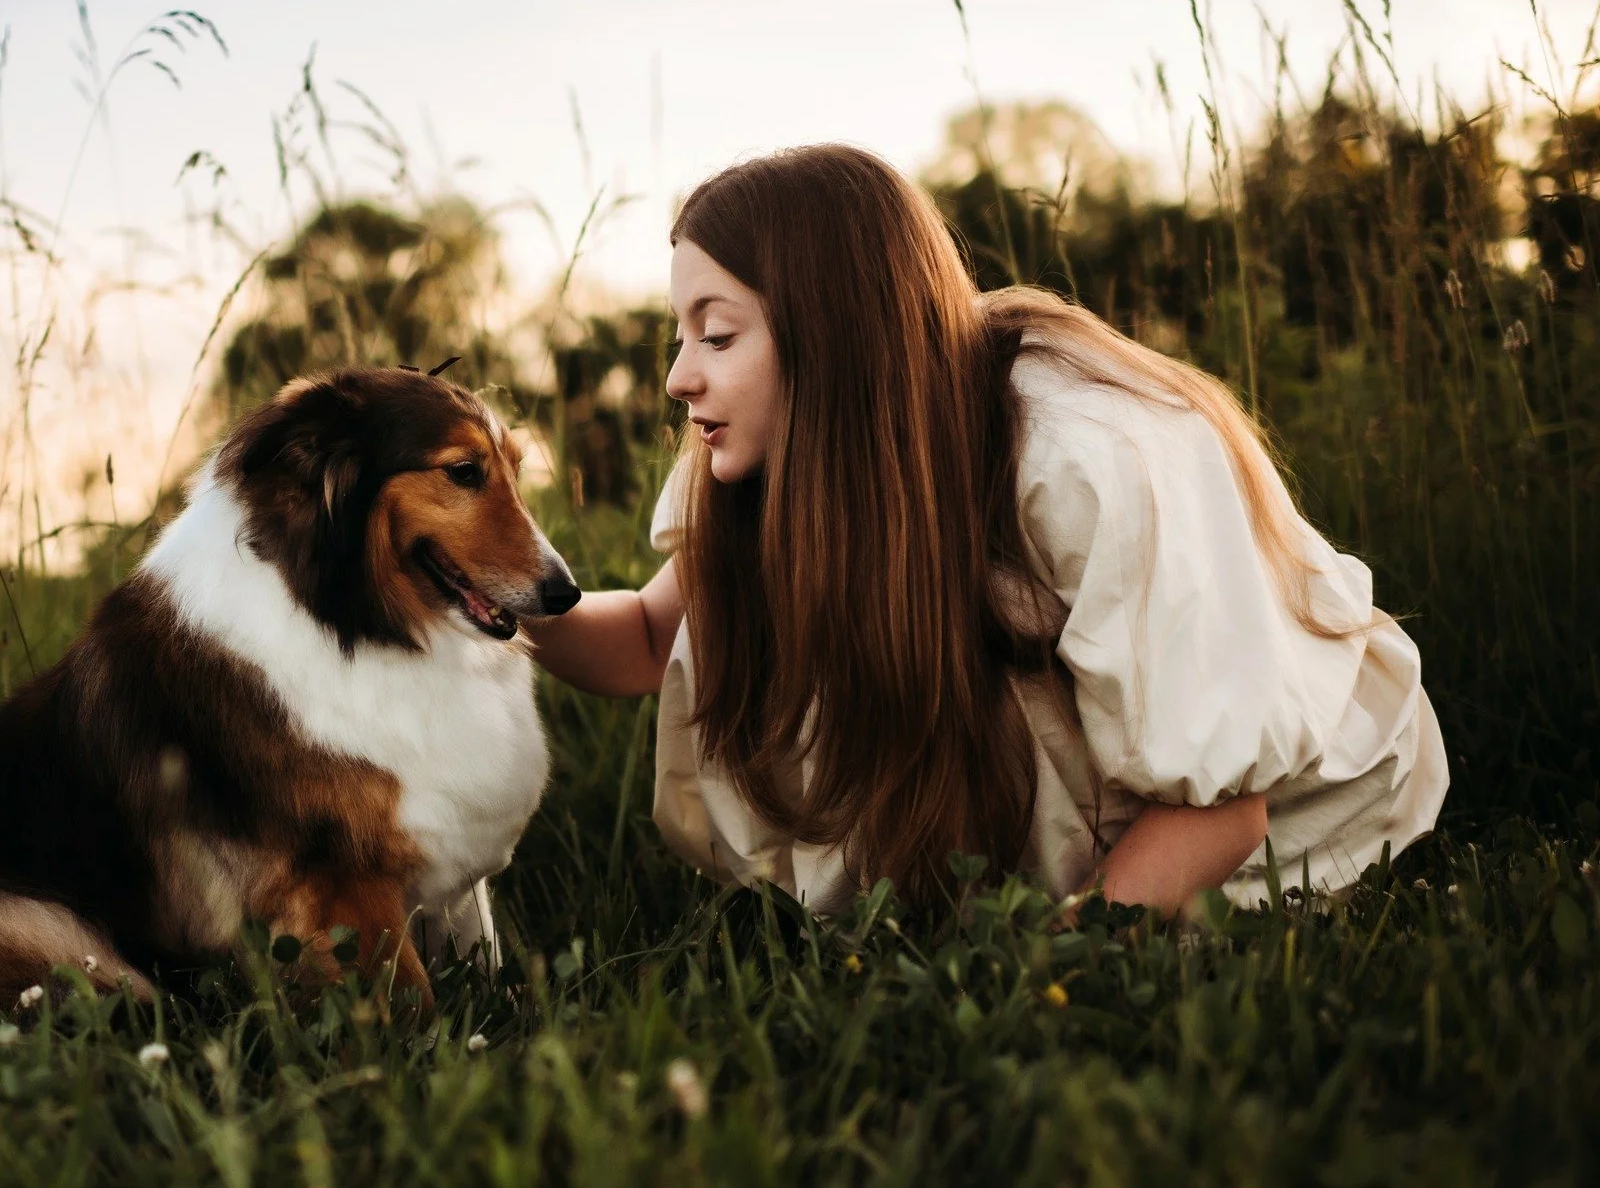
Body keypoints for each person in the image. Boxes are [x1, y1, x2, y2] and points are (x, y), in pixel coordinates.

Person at [527, 144, 1446, 918]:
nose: (678, 378)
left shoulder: (1087, 452)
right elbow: (649, 638)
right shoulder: (769, 452)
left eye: (718, 337)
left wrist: (1054, 978)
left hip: (1279, 815)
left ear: (833, 341)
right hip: (1083, 824)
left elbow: (1227, 809)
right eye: (678, 337)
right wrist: (483, 581)